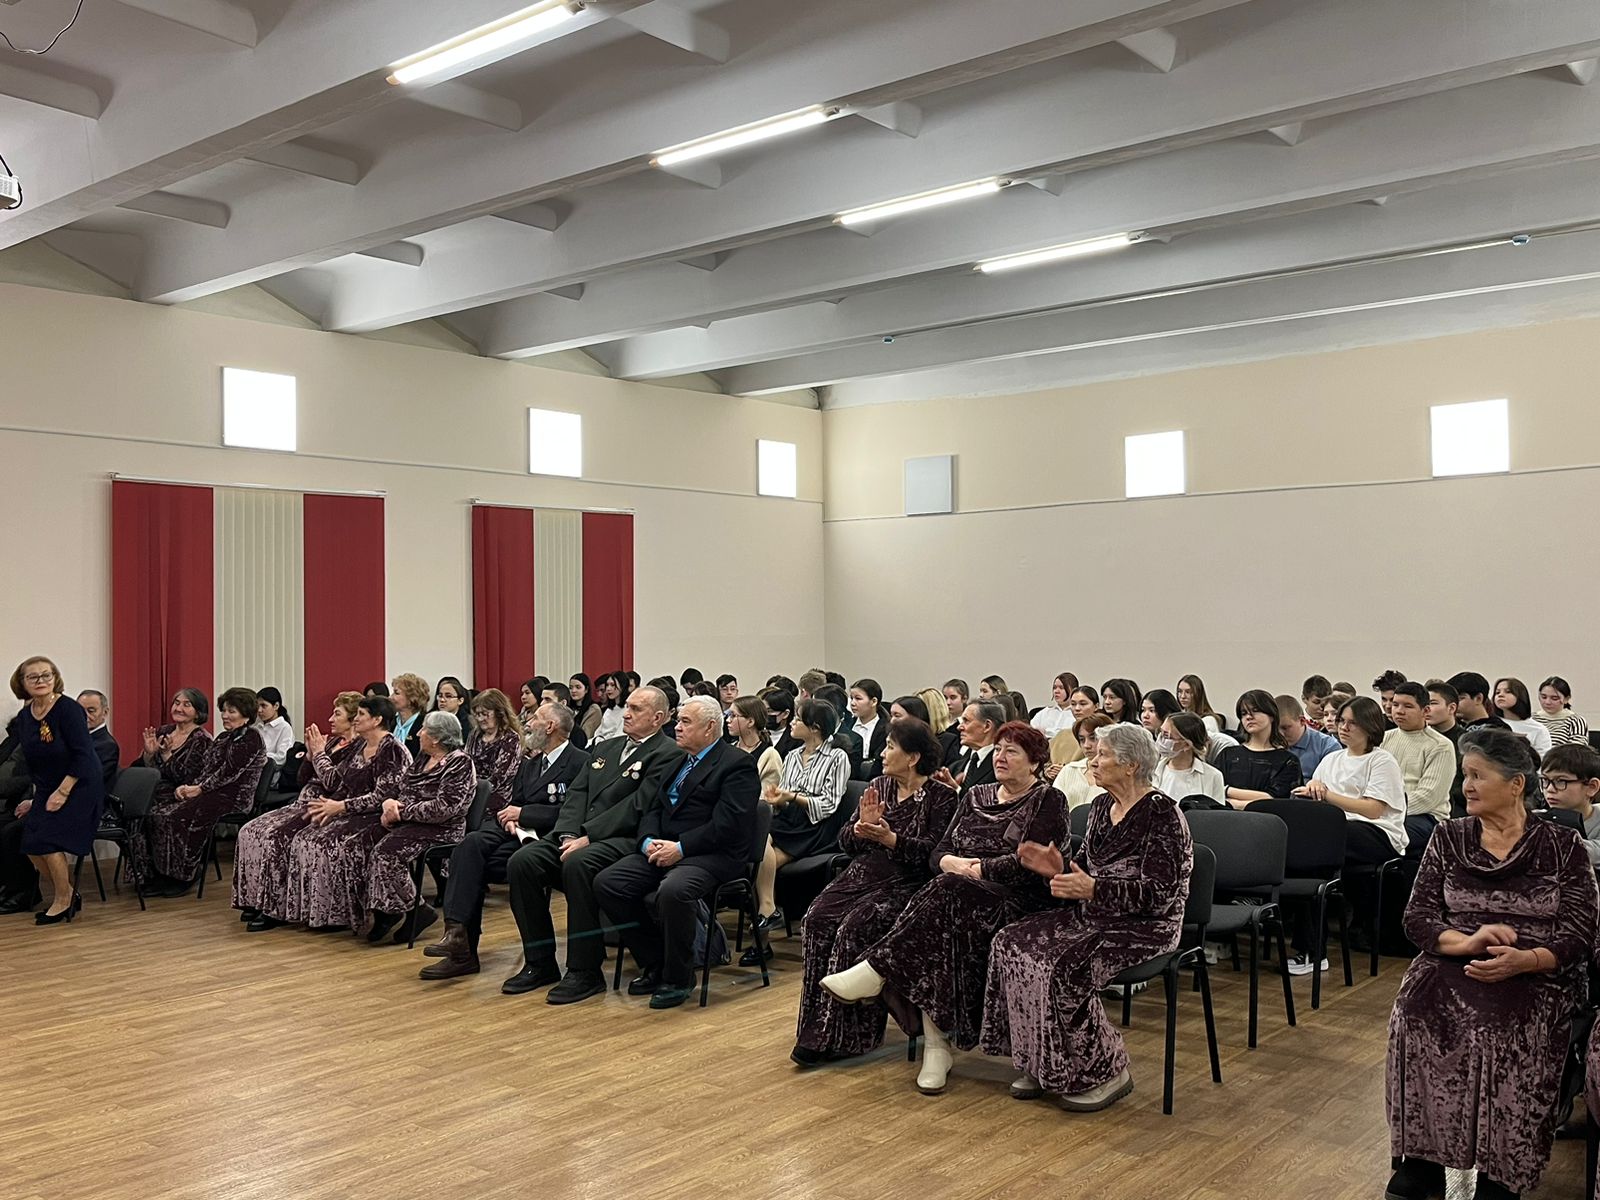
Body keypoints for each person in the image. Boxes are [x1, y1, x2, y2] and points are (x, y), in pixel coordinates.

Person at [1384, 728, 1597, 1200]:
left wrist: (1528, 960)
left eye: (1478, 776)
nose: (1467, 787)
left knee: (1505, 1027)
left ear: (1516, 783)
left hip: (1537, 972)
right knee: (1415, 1013)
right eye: (1465, 776)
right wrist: (1466, 942)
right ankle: (1423, 1158)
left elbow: (1580, 933)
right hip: (1453, 959)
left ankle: (1502, 1170)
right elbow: (1417, 917)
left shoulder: (1563, 846)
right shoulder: (1449, 837)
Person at [820, 722, 1067, 1093]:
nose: (1000, 757)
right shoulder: (976, 794)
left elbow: (1031, 862)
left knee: (943, 895)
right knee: (939, 925)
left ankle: (879, 972)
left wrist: (977, 869)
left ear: (1035, 763)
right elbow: (939, 852)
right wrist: (952, 863)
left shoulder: (1048, 799)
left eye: (1012, 752)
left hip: (1016, 900)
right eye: (998, 749)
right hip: (959, 895)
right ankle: (935, 1046)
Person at [982, 723, 1193, 1109]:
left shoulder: (1162, 813)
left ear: (1130, 765)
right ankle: (1041, 1061)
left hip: (1145, 925)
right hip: (1092, 913)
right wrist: (1058, 868)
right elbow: (1084, 868)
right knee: (1010, 942)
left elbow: (1161, 895)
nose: (1092, 761)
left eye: (1102, 755)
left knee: (1065, 966)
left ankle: (1107, 1071)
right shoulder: (1099, 807)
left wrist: (1094, 889)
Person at [792, 719, 959, 1066]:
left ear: (912, 757)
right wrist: (860, 828)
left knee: (854, 928)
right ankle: (815, 1028)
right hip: (863, 873)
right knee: (816, 919)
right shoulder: (878, 786)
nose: (882, 754)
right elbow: (845, 842)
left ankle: (850, 1036)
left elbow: (934, 854)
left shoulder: (942, 797)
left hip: (907, 883)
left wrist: (892, 839)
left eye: (890, 747)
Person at [503, 685, 683, 1002]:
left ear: (657, 718)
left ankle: (584, 970)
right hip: (579, 833)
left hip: (623, 837)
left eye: (636, 709)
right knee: (523, 862)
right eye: (627, 706)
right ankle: (540, 961)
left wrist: (589, 835)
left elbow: (638, 805)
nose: (626, 714)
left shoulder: (668, 752)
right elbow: (577, 793)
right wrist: (568, 833)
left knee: (578, 864)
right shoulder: (606, 747)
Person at [595, 695, 760, 1010]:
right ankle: (655, 960)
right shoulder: (678, 760)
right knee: (609, 883)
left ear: (710, 727)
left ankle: (679, 977)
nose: (677, 727)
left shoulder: (737, 764)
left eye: (685, 722)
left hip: (712, 854)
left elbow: (728, 825)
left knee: (674, 890)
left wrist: (681, 848)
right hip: (665, 848)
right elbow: (652, 809)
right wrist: (647, 841)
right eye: (678, 720)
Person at [419, 702, 585, 979]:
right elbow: (516, 802)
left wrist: (524, 814)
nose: (528, 723)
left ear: (550, 726)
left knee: (485, 865)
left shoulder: (580, 762)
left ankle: (488, 955)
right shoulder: (531, 764)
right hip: (517, 832)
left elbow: (574, 811)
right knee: (468, 846)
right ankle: (457, 939)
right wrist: (510, 817)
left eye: (535, 718)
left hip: (549, 837)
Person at [1292, 697, 1407, 974]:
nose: (1343, 727)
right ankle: (1311, 950)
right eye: (1342, 721)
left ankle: (1312, 951)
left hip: (1377, 834)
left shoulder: (1381, 760)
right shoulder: (1332, 759)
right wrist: (1312, 788)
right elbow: (1316, 791)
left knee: (1319, 846)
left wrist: (1327, 795)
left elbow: (1373, 809)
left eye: (1352, 722)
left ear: (1370, 726)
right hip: (1334, 833)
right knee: (1310, 861)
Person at [234, 691, 362, 931]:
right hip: (302, 801)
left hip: (324, 806)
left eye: (337, 714)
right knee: (250, 831)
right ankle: (254, 899)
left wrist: (319, 754)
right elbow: (302, 779)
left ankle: (275, 908)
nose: (330, 719)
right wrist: (310, 757)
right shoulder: (331, 743)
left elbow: (334, 784)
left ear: (354, 719)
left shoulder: (358, 749)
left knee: (276, 838)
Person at [282, 697, 412, 931]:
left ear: (377, 720)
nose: (356, 719)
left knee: (331, 844)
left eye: (361, 714)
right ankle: (317, 912)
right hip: (353, 812)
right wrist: (329, 806)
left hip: (378, 817)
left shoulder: (393, 750)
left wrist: (340, 807)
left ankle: (343, 914)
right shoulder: (360, 747)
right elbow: (342, 784)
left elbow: (380, 798)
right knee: (305, 837)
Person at [134, 687, 268, 897]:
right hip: (212, 792)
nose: (225, 715)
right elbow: (207, 769)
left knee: (179, 816)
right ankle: (162, 873)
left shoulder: (252, 738)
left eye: (231, 711)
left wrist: (198, 789)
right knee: (159, 813)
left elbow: (228, 773)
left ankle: (184, 876)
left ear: (246, 715)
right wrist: (188, 788)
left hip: (233, 797)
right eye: (224, 710)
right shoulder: (223, 738)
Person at [360, 711, 477, 946]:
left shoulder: (459, 762)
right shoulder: (423, 758)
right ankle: (386, 909)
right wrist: (389, 804)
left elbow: (444, 808)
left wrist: (401, 812)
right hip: (412, 822)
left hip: (442, 829)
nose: (419, 733)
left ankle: (416, 910)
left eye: (424, 729)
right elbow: (402, 787)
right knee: (365, 841)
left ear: (436, 738)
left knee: (386, 853)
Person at [9, 657, 104, 924]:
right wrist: (36, 796)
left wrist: (63, 792)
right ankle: (69, 893)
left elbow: (83, 754)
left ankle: (63, 901)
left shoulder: (69, 709)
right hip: (47, 786)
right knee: (30, 844)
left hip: (80, 784)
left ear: (55, 678)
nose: (41, 681)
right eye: (33, 677)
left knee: (49, 841)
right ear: (22, 683)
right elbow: (33, 761)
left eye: (46, 675)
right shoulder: (25, 717)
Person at [756, 698, 852, 934]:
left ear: (815, 727)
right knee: (758, 841)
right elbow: (785, 794)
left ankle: (765, 922)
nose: (792, 723)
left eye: (798, 719)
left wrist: (792, 796)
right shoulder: (792, 756)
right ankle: (768, 912)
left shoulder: (837, 757)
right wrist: (778, 799)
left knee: (759, 861)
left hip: (815, 824)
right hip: (789, 819)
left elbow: (829, 804)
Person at [1382, 682, 1455, 852]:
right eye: (1395, 704)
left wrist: (1384, 809)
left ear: (1425, 711)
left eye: (1408, 706)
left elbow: (1427, 797)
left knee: (1380, 835)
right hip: (1385, 810)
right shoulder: (1383, 739)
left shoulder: (1440, 745)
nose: (1399, 711)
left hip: (1426, 817)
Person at [1215, 690, 1302, 806]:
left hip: (1268, 816)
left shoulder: (1288, 761)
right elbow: (1213, 790)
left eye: (1255, 711)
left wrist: (1228, 792)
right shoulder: (1227, 755)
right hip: (1226, 816)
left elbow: (1275, 800)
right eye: (1243, 713)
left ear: (1271, 715)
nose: (1249, 717)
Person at [140, 687, 214, 809]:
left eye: (186, 705)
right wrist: (149, 754)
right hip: (150, 791)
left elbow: (189, 781)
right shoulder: (163, 731)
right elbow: (145, 770)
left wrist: (167, 755)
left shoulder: (202, 740)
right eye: (176, 703)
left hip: (176, 798)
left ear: (198, 713)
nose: (179, 709)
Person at [0, 714, 40, 913]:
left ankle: (23, 892)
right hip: (27, 800)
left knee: (11, 831)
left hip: (50, 806)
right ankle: (10, 886)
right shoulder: (13, 742)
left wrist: (33, 802)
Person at [464, 688, 523, 818]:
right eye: (477, 714)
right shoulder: (474, 734)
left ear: (499, 713)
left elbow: (499, 778)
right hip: (470, 790)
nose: (480, 719)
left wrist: (471, 791)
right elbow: (465, 764)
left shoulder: (510, 738)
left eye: (485, 714)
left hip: (494, 796)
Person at [1540, 743, 1600, 865]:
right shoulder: (1536, 818)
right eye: (1545, 780)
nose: (1550, 789)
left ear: (1592, 787)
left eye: (1561, 781)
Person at [1154, 713, 1225, 805]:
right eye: (1161, 733)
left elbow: (1217, 812)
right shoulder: (1151, 771)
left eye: (1166, 736)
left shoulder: (1213, 776)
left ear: (1187, 745)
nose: (1161, 740)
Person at [939, 699, 1004, 795]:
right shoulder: (954, 767)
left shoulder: (1002, 767)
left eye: (966, 721)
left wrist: (956, 791)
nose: (959, 727)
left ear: (987, 726)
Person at [1054, 713, 1115, 809]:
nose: (1086, 745)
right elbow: (1053, 806)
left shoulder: (1118, 774)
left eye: (1093, 738)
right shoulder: (1069, 770)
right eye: (1082, 740)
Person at [1277, 694, 1339, 782]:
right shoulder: (1267, 743)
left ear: (1302, 721)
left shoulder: (1328, 746)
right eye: (1274, 728)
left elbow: (1333, 784)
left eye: (1285, 728)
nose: (1280, 734)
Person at [728, 695, 782, 795]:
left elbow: (766, 798)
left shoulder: (769, 755)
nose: (728, 720)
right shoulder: (728, 749)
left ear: (750, 722)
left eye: (733, 716)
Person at [1490, 676, 1552, 757]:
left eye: (1508, 691)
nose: (1500, 695)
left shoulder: (1539, 729)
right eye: (1497, 692)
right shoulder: (1490, 724)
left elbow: (1543, 759)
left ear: (1520, 695)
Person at [75, 690, 120, 792]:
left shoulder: (107, 746)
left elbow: (88, 780)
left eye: (91, 711)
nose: (84, 715)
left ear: (105, 713)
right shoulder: (71, 738)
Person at [845, 678, 888, 781]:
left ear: (874, 701)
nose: (852, 703)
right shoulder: (847, 724)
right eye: (851, 698)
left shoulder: (885, 729)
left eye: (858, 699)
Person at [1532, 675, 1589, 747]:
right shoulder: (1531, 718)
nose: (1547, 702)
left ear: (1566, 699)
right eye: (1544, 697)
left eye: (1554, 698)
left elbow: (1576, 750)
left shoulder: (1576, 721)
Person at [1030, 672, 1078, 741]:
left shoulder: (1077, 713)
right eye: (1054, 688)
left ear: (1074, 690)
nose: (1056, 691)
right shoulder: (1045, 712)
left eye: (1061, 688)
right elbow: (1031, 732)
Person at [255, 686, 295, 768]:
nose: (259, 710)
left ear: (276, 706)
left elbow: (281, 758)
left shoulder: (284, 728)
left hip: (271, 772)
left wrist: (258, 756)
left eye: (263, 706)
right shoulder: (256, 727)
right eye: (258, 706)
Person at [390, 673, 430, 752]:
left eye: (396, 693)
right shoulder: (390, 721)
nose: (391, 697)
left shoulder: (425, 724)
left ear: (412, 697)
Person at [592, 671, 632, 742]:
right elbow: (599, 731)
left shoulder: (627, 710)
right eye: (607, 685)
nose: (608, 689)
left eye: (612, 685)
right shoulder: (609, 709)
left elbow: (620, 736)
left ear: (622, 686)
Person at [569, 672, 602, 741]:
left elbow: (587, 735)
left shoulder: (593, 709)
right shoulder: (568, 708)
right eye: (571, 688)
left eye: (578, 687)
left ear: (586, 689)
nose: (573, 691)